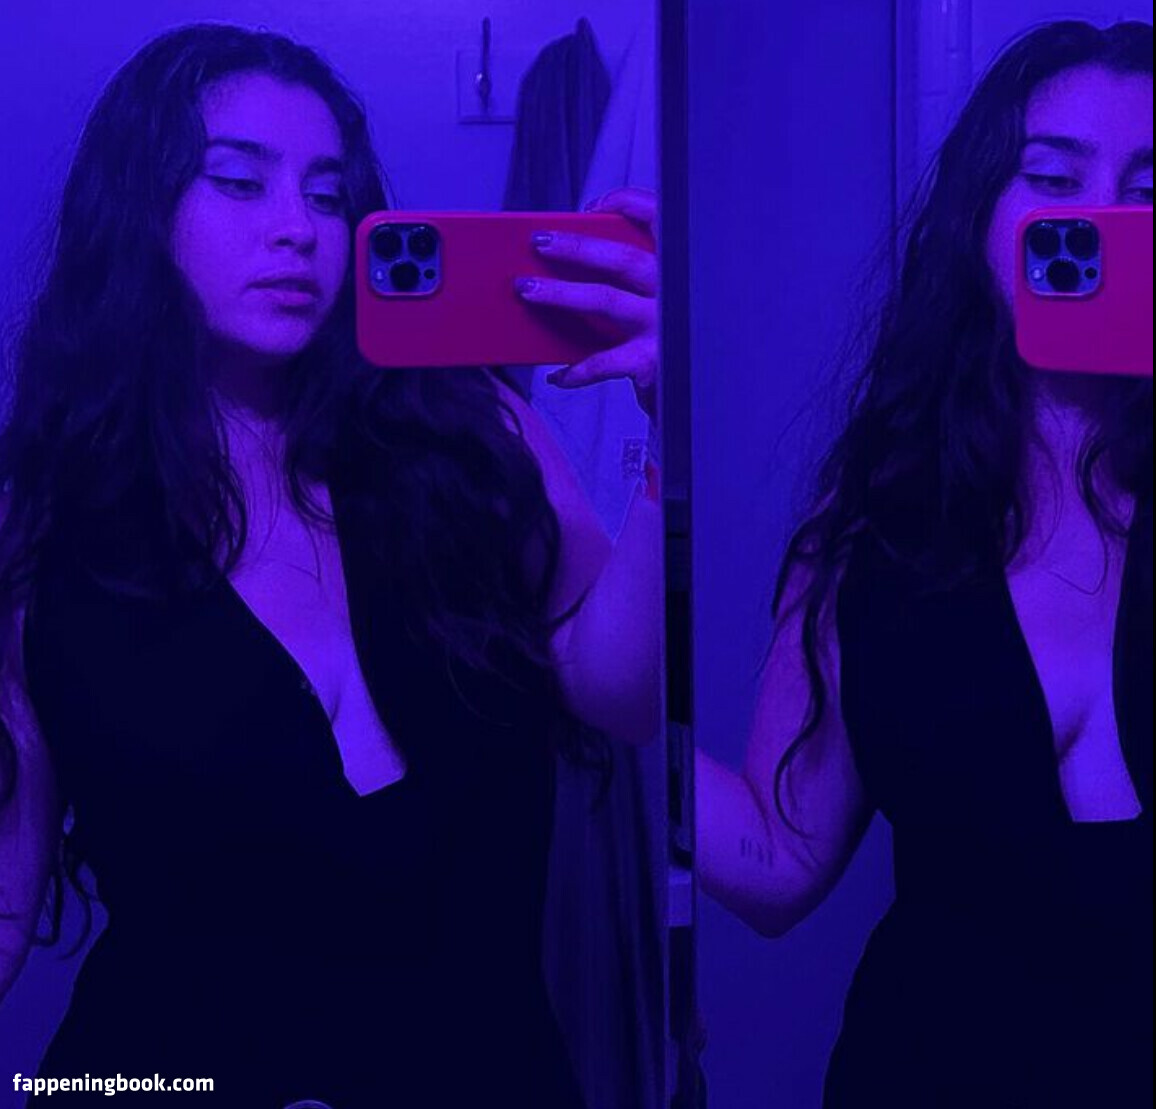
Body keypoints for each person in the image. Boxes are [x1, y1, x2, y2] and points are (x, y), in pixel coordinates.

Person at [0, 23, 662, 1108]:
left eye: (326, 193)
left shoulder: (468, 432)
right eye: (239, 182)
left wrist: (668, 439)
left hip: (485, 1075)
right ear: (139, 212)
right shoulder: (47, 520)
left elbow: (622, 693)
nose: (297, 229)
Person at [697, 20, 1152, 1109]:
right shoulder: (879, 527)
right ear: (978, 218)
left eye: (1147, 192)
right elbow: (779, 858)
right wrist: (621, 716)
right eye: (1053, 180)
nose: (1097, 221)